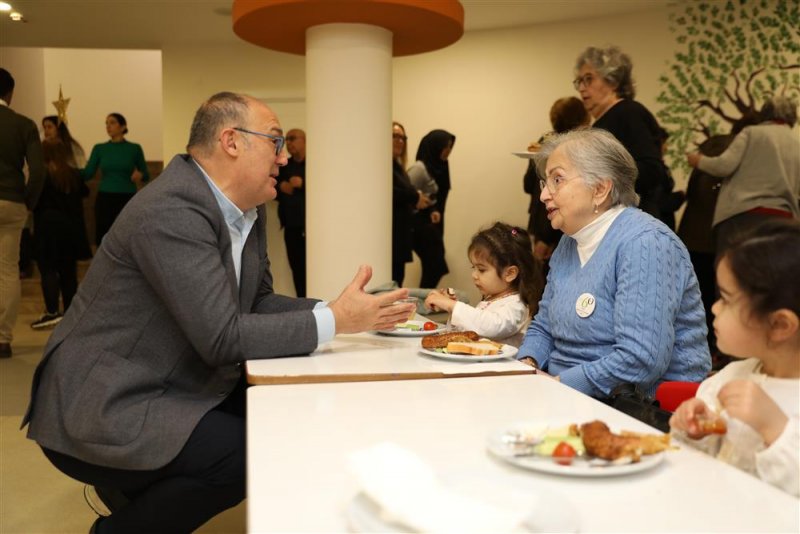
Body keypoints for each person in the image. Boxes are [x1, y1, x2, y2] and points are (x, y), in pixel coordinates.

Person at [22, 92, 414, 533]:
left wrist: (336, 310)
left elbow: (258, 301)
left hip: (169, 379)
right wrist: (338, 321)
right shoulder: (171, 209)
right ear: (232, 141)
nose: (285, 158)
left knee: (288, 413)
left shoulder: (247, 210)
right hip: (105, 401)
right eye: (276, 142)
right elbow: (221, 338)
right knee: (249, 453)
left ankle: (139, 495)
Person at [517, 129, 710, 399]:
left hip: (640, 408)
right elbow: (544, 326)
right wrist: (528, 365)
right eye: (545, 183)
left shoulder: (646, 243)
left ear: (600, 189)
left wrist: (557, 385)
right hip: (567, 394)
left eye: (557, 180)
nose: (544, 196)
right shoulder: (568, 242)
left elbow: (641, 359)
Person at [670, 219, 799, 498]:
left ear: (780, 325)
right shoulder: (730, 377)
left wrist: (773, 427)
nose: (714, 308)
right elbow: (707, 467)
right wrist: (695, 433)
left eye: (726, 299)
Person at [574, 46, 676, 228]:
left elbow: (652, 171)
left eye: (588, 79)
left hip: (636, 222)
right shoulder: (601, 123)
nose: (581, 88)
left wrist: (602, 179)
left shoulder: (629, 112)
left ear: (612, 81)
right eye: (579, 81)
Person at [687, 96, 800, 258]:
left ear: (765, 113)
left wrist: (699, 161)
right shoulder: (796, 142)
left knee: (734, 273)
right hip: (783, 219)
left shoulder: (752, 133)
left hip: (744, 216)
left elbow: (724, 166)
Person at [424, 222, 541, 346]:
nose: (474, 275)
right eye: (473, 267)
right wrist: (451, 310)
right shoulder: (491, 299)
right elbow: (470, 332)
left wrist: (452, 306)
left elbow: (491, 327)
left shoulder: (517, 306)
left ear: (510, 273)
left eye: (481, 269)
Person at [0, 68, 45, 359]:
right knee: (7, 270)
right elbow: (38, 170)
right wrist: (28, 201)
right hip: (12, 201)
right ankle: (2, 339)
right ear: (10, 93)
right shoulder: (24, 124)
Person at [30, 139, 90, 330]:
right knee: (68, 271)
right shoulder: (71, 174)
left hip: (47, 226)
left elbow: (32, 199)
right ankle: (71, 313)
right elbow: (85, 192)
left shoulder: (41, 175)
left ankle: (52, 312)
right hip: (69, 227)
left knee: (48, 269)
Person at [523, 97, 590, 266]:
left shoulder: (544, 142)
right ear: (583, 118)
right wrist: (546, 237)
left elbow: (527, 184)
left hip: (540, 222)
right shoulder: (577, 147)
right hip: (556, 225)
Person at [83, 112, 149, 245]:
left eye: (112, 123)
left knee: (127, 235)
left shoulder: (134, 148)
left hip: (127, 197)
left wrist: (140, 175)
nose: (108, 126)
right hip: (105, 197)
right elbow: (88, 173)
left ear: (123, 126)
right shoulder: (99, 148)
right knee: (104, 234)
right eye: (106, 123)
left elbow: (146, 174)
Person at [407, 129, 455, 288]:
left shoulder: (441, 166)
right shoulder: (419, 169)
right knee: (436, 265)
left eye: (450, 147)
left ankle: (424, 301)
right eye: (445, 146)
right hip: (419, 226)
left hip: (432, 222)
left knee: (434, 266)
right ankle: (423, 301)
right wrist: (421, 205)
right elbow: (405, 195)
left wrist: (433, 209)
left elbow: (437, 197)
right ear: (434, 146)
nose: (448, 151)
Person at [391, 121, 429, 286]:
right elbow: (389, 192)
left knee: (397, 281)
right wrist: (415, 197)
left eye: (403, 137)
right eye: (395, 136)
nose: (400, 141)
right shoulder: (382, 165)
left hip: (401, 236)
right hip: (391, 237)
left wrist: (416, 199)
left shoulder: (398, 166)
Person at [275, 128, 306, 297]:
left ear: (305, 140)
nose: (289, 142)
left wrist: (304, 183)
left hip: (315, 229)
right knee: (297, 269)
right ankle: (304, 306)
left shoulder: (317, 164)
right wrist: (281, 187)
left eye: (293, 138)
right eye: (287, 139)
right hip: (292, 227)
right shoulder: (284, 166)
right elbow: (271, 186)